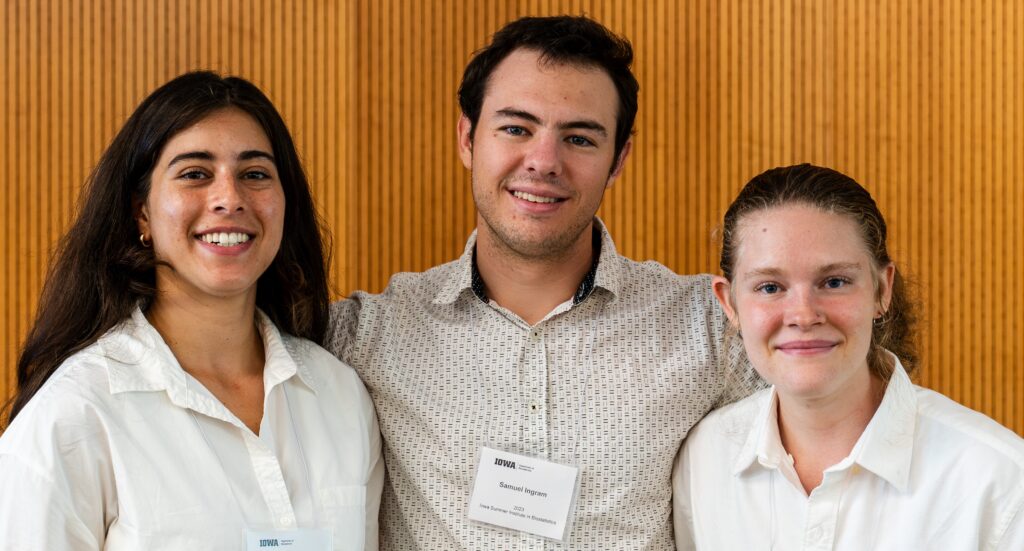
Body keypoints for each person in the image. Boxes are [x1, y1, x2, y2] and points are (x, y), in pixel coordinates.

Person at [329, 15, 762, 549]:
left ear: (618, 158)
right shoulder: (366, 335)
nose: (543, 161)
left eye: (579, 138)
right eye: (516, 128)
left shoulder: (709, 326)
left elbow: (845, 424)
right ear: (467, 137)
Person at [0, 71, 383, 550]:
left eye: (255, 174)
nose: (230, 198)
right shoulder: (75, 414)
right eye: (195, 174)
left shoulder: (340, 396)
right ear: (142, 213)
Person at [673, 163, 1024, 550]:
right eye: (770, 286)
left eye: (835, 282)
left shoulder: (999, 478)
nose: (804, 315)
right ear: (730, 303)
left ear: (881, 291)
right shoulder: (703, 460)